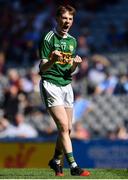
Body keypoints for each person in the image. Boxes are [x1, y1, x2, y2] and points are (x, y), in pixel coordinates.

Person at [38, 5, 90, 177]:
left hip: (66, 86)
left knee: (67, 130)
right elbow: (42, 68)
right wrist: (52, 60)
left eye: (70, 19)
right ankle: (74, 166)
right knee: (63, 126)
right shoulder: (48, 38)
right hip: (51, 84)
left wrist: (75, 64)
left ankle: (56, 160)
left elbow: (70, 71)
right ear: (57, 18)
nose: (67, 21)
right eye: (65, 18)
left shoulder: (72, 41)